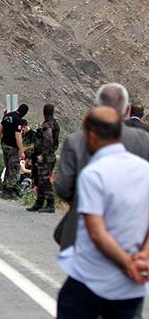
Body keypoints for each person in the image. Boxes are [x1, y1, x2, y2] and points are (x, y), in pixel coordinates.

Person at [56, 106, 149, 318]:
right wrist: (143, 257)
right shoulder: (145, 170)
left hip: (91, 279)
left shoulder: (94, 174)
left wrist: (126, 263)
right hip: (130, 285)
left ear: (91, 135)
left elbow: (97, 233)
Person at [55, 83, 149, 251]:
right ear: (127, 110)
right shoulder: (144, 141)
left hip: (83, 232)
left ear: (96, 107)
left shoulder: (76, 141)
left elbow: (63, 187)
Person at [27, 104, 60, 213]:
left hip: (46, 156)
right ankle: (39, 203)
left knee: (45, 180)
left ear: (44, 111)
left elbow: (48, 139)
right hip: (50, 155)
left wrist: (43, 154)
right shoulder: (55, 123)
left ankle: (50, 204)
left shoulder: (48, 124)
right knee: (41, 180)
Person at [0, 103, 28, 198]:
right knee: (14, 168)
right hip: (13, 148)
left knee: (8, 167)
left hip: (4, 145)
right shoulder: (18, 120)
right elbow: (18, 136)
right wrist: (22, 151)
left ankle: (5, 187)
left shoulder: (7, 115)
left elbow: (0, 129)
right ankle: (9, 189)